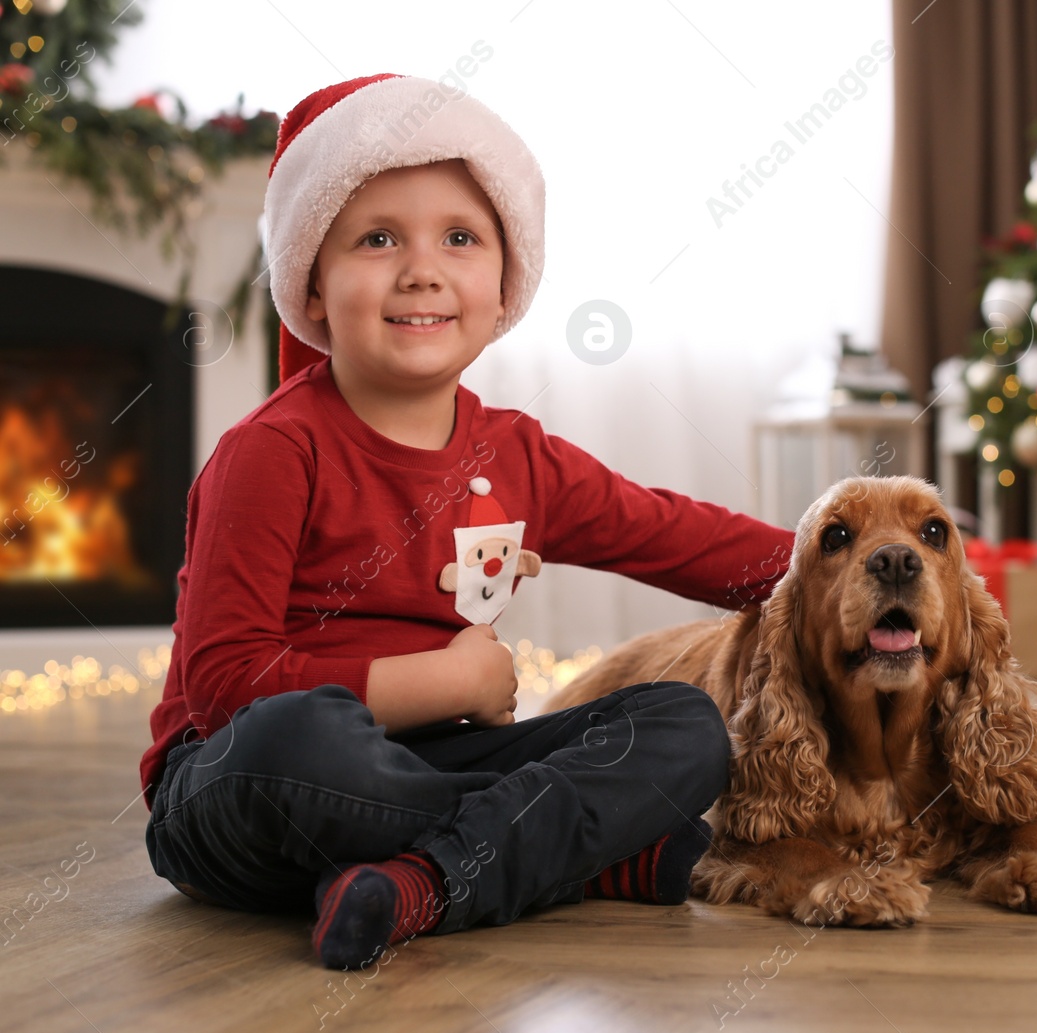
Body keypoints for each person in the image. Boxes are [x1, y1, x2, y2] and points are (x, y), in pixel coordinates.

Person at [140, 73, 794, 971]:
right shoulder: (272, 450)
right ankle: (572, 854)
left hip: (440, 762)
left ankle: (417, 885)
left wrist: (851, 561)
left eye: (459, 237)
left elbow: (678, 535)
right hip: (241, 789)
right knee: (302, 739)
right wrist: (446, 683)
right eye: (376, 239)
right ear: (314, 288)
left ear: (502, 285)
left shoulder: (515, 455)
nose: (421, 269)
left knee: (683, 728)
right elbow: (225, 685)